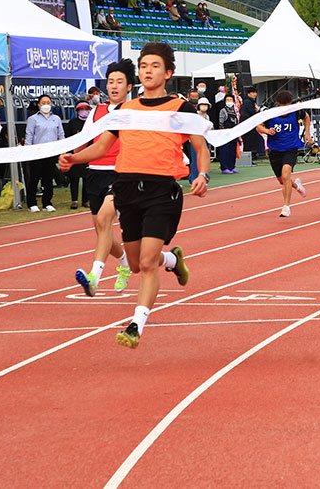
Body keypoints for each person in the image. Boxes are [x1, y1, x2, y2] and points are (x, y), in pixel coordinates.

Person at [60, 42, 209, 349]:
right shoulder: (126, 111)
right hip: (127, 188)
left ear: (168, 72)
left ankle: (135, 325)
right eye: (144, 66)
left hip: (161, 190)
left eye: (155, 66)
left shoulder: (181, 108)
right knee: (137, 263)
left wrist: (202, 174)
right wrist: (73, 158)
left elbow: (200, 147)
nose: (148, 71)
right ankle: (174, 259)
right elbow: (101, 148)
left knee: (148, 262)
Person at [71, 60, 137, 297]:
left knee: (106, 219)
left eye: (119, 82)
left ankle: (93, 277)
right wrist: (70, 156)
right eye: (110, 82)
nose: (114, 86)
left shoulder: (134, 111)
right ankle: (126, 263)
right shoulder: (97, 111)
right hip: (94, 173)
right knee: (102, 231)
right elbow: (83, 139)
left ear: (129, 86)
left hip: (120, 173)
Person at [256, 90, 312, 217]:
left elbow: (306, 117)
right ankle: (296, 185)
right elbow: (258, 126)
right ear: (277, 105)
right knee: (282, 180)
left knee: (286, 175)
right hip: (275, 150)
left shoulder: (296, 111)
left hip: (291, 149)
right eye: (282, 108)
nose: (285, 110)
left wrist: (307, 133)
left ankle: (286, 206)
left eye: (287, 107)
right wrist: (266, 130)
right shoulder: (270, 114)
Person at [24, 94, 64, 212]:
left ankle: (47, 202)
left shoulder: (56, 119)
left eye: (48, 102)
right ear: (39, 104)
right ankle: (32, 203)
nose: (46, 105)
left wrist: (62, 149)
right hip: (36, 153)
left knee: (48, 179)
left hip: (51, 153)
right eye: (43, 102)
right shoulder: (33, 119)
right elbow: (29, 135)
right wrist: (27, 150)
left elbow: (60, 135)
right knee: (34, 178)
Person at [65, 101, 92, 209]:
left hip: (88, 154)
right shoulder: (72, 123)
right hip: (75, 155)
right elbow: (68, 138)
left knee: (86, 179)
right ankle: (74, 200)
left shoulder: (91, 123)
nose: (84, 111)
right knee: (74, 178)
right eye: (82, 109)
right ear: (77, 111)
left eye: (86, 109)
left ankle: (86, 200)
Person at [217, 93, 240, 174]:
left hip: (234, 134)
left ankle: (231, 167)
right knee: (225, 151)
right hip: (225, 134)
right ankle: (224, 168)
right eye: (227, 100)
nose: (229, 101)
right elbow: (221, 122)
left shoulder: (235, 111)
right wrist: (223, 133)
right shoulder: (223, 111)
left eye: (230, 100)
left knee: (232, 152)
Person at [239, 85, 260, 162]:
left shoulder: (249, 101)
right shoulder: (248, 102)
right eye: (253, 92)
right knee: (249, 142)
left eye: (256, 92)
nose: (255, 94)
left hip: (248, 124)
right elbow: (252, 113)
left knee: (250, 142)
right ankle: (248, 159)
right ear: (249, 93)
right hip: (248, 125)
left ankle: (250, 158)